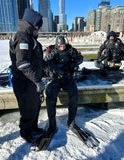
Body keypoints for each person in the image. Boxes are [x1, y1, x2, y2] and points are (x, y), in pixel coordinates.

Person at [9, 8, 45, 143]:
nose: (39, 29)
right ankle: (26, 133)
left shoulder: (30, 38)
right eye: (38, 26)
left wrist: (47, 67)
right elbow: (22, 63)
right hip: (24, 82)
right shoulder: (22, 37)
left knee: (35, 106)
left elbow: (36, 60)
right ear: (32, 24)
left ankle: (33, 128)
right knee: (28, 109)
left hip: (31, 81)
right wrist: (37, 81)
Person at [44, 36, 83, 136]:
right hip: (55, 78)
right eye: (60, 46)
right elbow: (47, 63)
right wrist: (57, 71)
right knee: (50, 96)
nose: (62, 48)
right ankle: (52, 123)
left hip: (67, 77)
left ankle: (71, 121)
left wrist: (72, 64)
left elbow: (80, 58)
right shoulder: (51, 51)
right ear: (57, 45)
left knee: (74, 94)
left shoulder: (70, 50)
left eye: (63, 46)